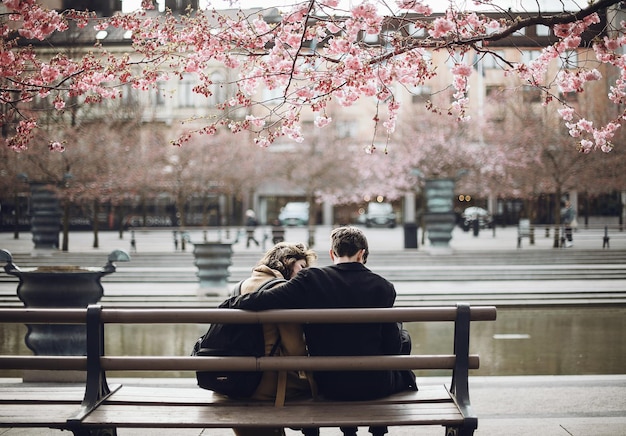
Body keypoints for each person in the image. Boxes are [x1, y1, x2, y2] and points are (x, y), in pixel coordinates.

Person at [233, 226, 417, 436]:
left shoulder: (312, 279)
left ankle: (351, 430)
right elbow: (391, 346)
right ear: (362, 254)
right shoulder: (383, 287)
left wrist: (233, 301)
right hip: (373, 385)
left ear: (332, 253)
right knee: (402, 337)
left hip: (328, 383)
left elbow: (263, 300)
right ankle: (376, 428)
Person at [233, 241, 319, 436]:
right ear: (288, 262)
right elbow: (295, 350)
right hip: (267, 386)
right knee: (316, 388)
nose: (304, 274)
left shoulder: (242, 286)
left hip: (237, 381)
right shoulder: (281, 292)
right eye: (302, 267)